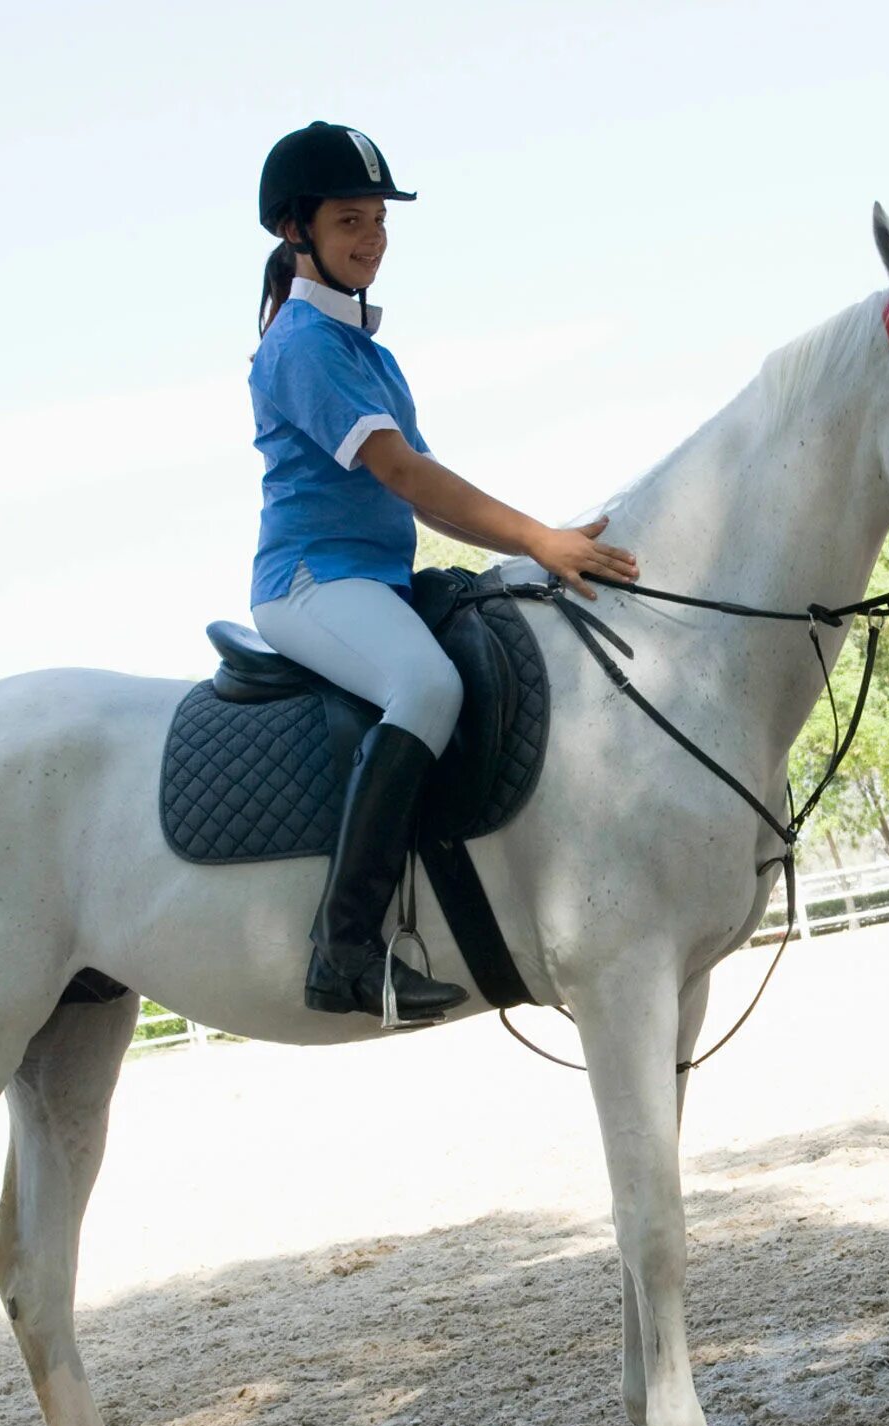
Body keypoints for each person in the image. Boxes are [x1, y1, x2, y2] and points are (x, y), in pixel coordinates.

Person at [248, 122, 639, 1021]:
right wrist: (540, 538)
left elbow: (424, 502)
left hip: (377, 579)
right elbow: (405, 474)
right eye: (351, 220)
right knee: (424, 685)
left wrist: (524, 558)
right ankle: (344, 953)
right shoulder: (303, 345)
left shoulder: (370, 353)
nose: (373, 238)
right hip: (310, 583)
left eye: (380, 221)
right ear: (294, 231)